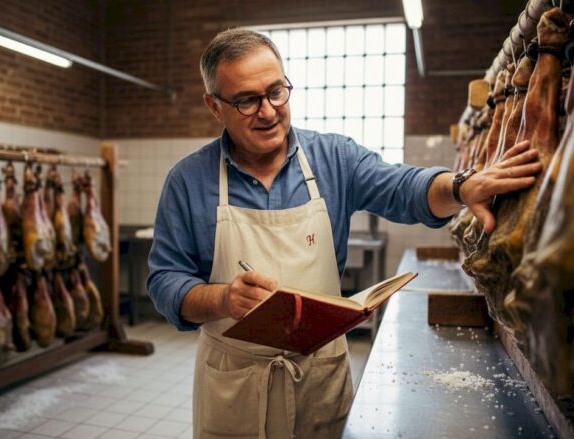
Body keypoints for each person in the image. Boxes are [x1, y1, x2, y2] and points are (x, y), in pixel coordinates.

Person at [147, 28, 541, 439]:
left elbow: (403, 188)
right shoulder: (188, 180)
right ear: (215, 106)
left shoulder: (334, 158)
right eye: (247, 100)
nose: (267, 111)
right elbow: (165, 281)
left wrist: (460, 187)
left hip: (319, 378)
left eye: (276, 91)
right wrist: (225, 297)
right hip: (235, 384)